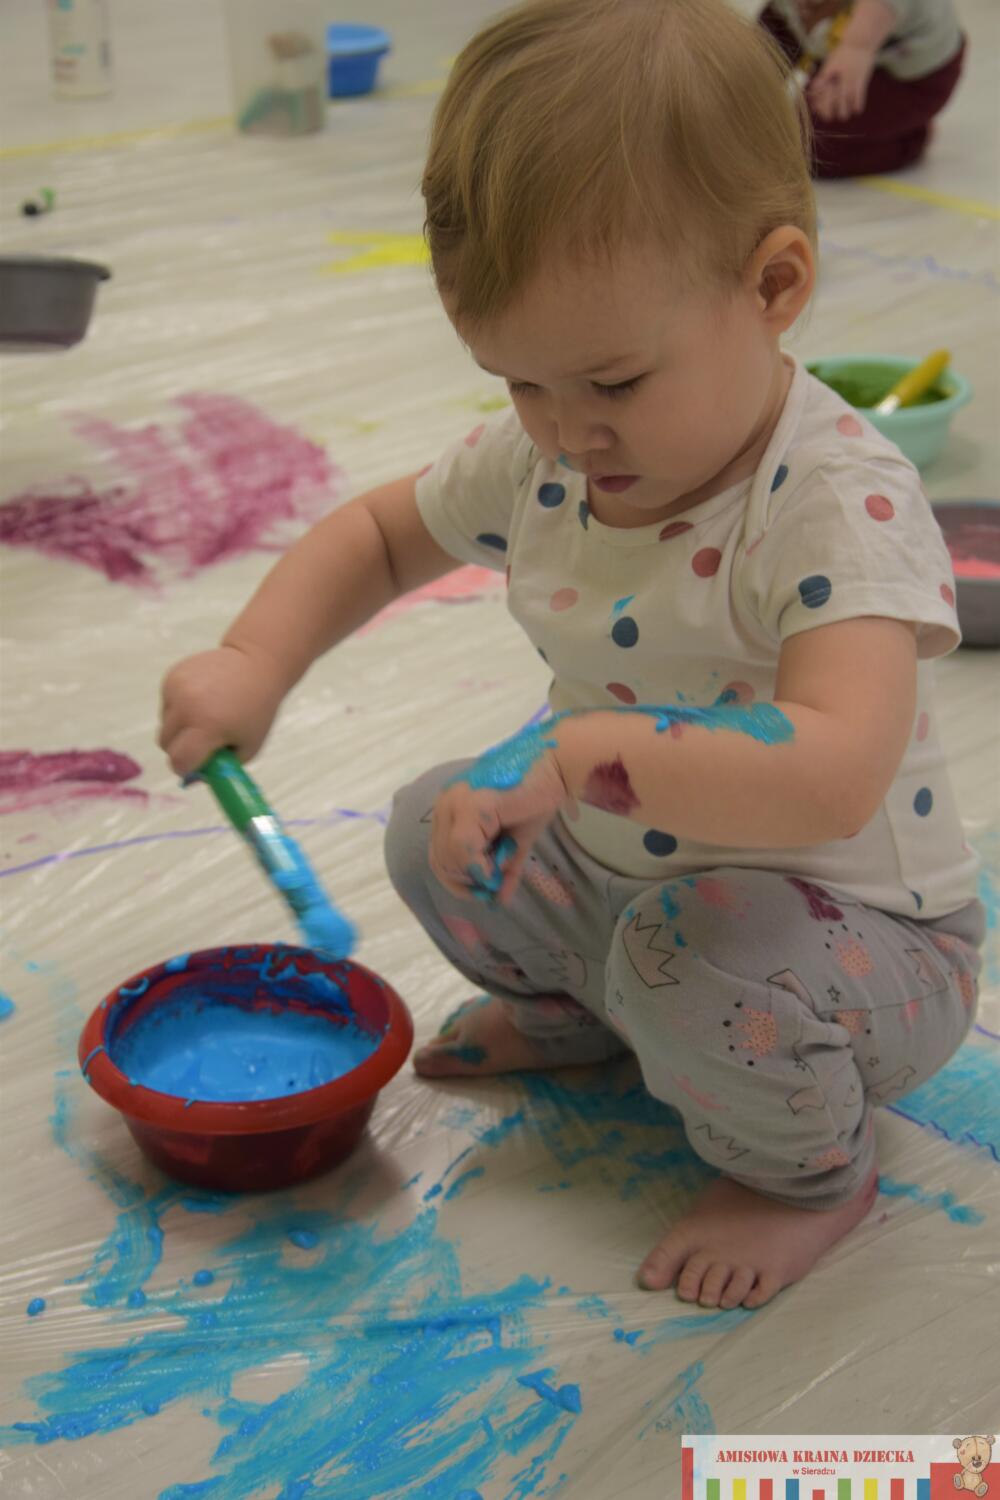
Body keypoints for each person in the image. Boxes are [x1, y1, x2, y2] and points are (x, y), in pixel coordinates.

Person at [159, 0, 983, 1311]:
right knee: (434, 825)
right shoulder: (553, 451)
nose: (564, 433)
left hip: (856, 955)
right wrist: (256, 659)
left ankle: (805, 1177)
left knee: (687, 951)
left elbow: (833, 773)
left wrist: (584, 754)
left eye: (611, 383)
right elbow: (380, 535)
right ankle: (589, 1020)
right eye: (519, 382)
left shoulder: (835, 503)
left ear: (773, 289)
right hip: (636, 888)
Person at [760, 0, 965, 176]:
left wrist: (856, 47)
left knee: (812, 144)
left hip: (905, 74)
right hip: (823, 34)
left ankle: (911, 139)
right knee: (757, 57)